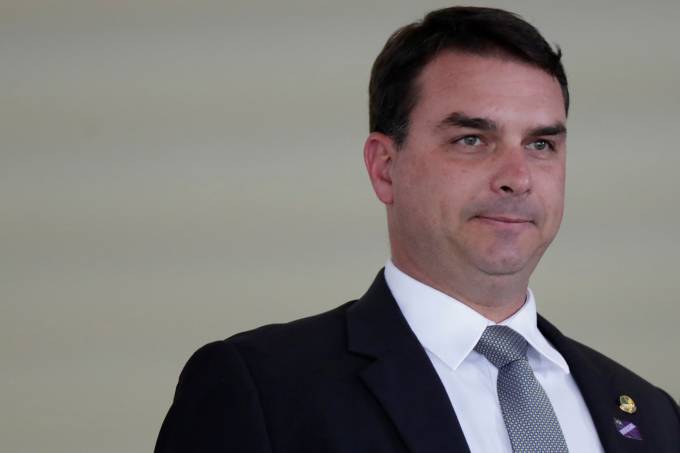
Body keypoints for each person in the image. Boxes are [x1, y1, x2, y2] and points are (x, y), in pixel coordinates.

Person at [155, 6, 680, 452]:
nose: (517, 178)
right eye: (471, 139)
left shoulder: (654, 416)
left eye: (541, 144)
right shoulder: (263, 391)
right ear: (385, 168)